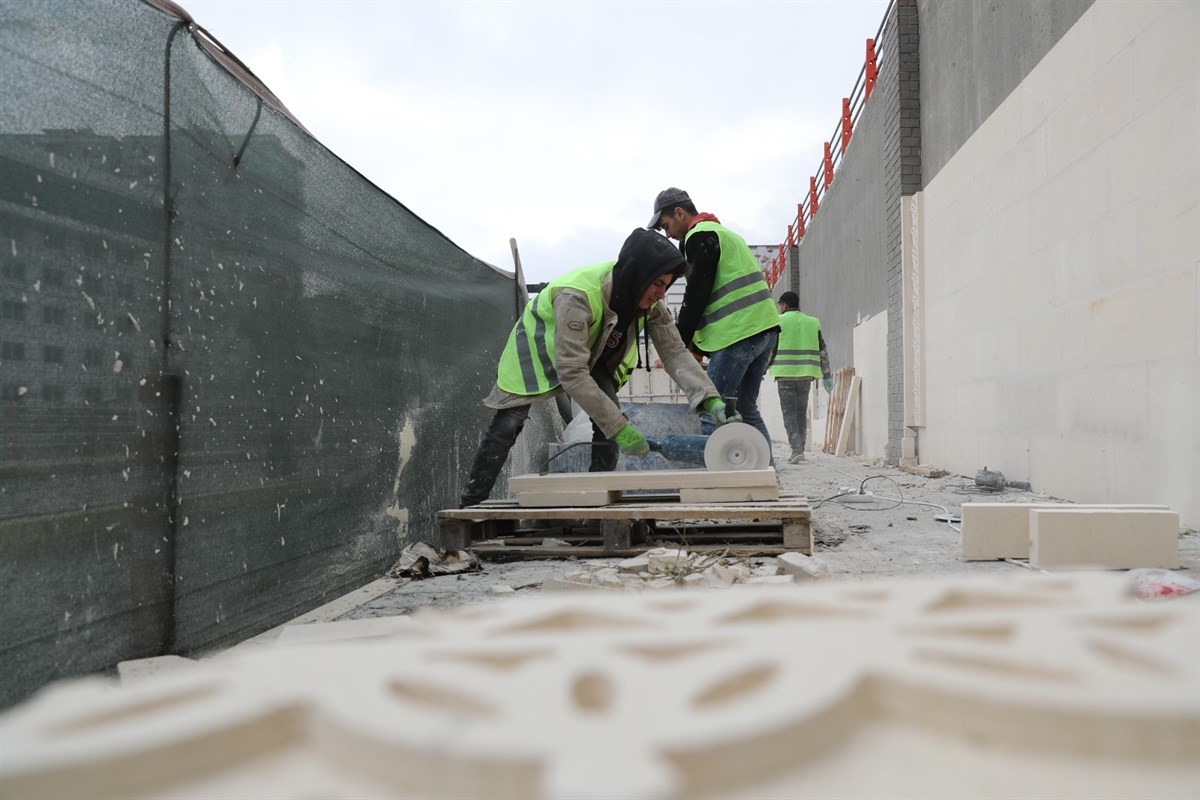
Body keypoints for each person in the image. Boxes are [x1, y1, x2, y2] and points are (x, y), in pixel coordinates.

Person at [460, 228, 735, 507]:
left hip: (589, 354)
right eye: (658, 284)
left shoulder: (648, 301)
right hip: (536, 350)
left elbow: (674, 352)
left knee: (607, 421)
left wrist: (709, 398)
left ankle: (596, 500)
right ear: (638, 274)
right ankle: (471, 505)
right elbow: (571, 372)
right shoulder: (578, 296)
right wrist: (621, 428)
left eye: (667, 286)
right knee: (508, 424)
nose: (661, 295)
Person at [648, 188, 780, 456]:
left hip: (739, 335)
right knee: (745, 407)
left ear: (680, 213)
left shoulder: (700, 236)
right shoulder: (728, 235)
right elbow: (715, 298)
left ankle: (717, 476)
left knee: (711, 408)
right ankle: (763, 471)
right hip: (764, 332)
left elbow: (696, 296)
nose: (668, 234)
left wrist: (678, 346)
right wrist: (695, 349)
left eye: (666, 226)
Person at [769, 291, 832, 464]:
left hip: (785, 375)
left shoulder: (778, 321)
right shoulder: (812, 322)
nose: (779, 308)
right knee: (800, 412)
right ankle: (800, 448)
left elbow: (771, 349)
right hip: (806, 374)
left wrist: (762, 368)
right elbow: (822, 350)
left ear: (785, 305)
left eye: (780, 304)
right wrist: (827, 375)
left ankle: (796, 449)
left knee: (789, 413)